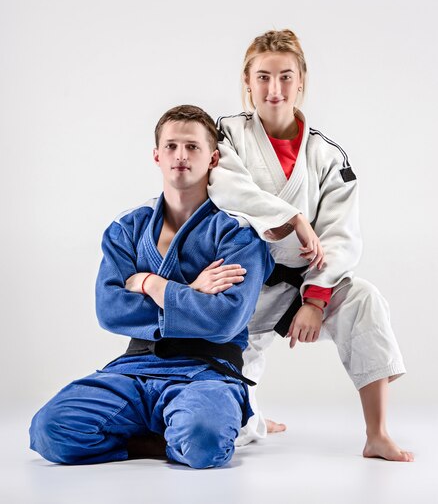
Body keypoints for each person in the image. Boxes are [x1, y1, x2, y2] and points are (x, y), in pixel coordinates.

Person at [29, 104, 276, 469]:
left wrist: (151, 283)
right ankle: (166, 439)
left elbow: (225, 319)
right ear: (156, 155)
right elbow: (110, 308)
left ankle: (194, 427)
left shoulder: (239, 233)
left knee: (204, 443)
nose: (181, 155)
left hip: (206, 372)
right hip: (134, 368)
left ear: (213, 158)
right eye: (172, 146)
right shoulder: (127, 228)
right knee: (50, 431)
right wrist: (191, 291)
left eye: (193, 147)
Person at [208, 29, 414, 462]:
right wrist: (292, 218)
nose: (274, 89)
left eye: (286, 77)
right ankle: (252, 417)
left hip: (299, 289)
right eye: (263, 77)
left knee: (363, 301)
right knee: (235, 433)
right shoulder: (225, 135)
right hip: (236, 288)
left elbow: (341, 233)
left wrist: (317, 299)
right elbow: (226, 187)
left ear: (301, 81)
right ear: (247, 81)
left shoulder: (326, 156)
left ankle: (376, 433)